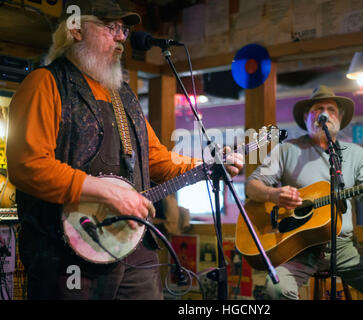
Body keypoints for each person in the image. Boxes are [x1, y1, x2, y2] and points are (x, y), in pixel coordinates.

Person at [6, 0, 242, 300]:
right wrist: (107, 192)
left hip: (133, 249)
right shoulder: (45, 84)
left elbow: (155, 159)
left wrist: (207, 164)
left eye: (124, 30)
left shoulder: (123, 96)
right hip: (66, 256)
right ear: (76, 29)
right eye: (110, 27)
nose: (121, 37)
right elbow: (27, 166)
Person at [245, 85, 363, 300]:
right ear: (306, 116)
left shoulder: (356, 154)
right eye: (318, 108)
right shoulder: (285, 150)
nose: (324, 114)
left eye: (331, 109)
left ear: (339, 117)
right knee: (277, 289)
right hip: (297, 250)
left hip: (345, 250)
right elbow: (251, 186)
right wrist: (272, 195)